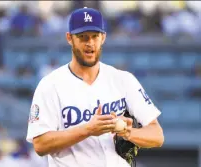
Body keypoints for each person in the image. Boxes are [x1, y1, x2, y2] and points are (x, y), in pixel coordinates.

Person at [26, 7, 164, 167]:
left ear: (103, 37)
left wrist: (127, 132)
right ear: (69, 38)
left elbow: (157, 136)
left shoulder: (123, 80)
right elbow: (40, 145)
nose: (90, 43)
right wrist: (88, 130)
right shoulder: (50, 85)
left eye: (95, 36)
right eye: (83, 37)